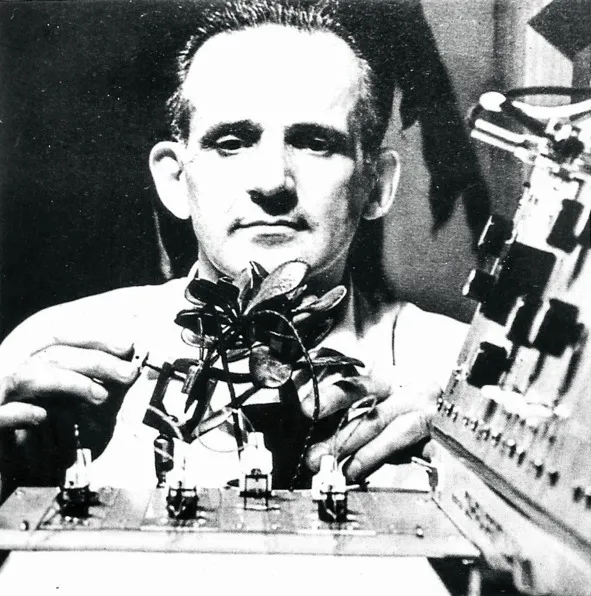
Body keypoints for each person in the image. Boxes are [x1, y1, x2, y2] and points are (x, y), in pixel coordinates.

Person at [0, 0, 467, 495]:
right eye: (231, 143)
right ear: (175, 180)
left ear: (376, 185)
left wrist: (478, 464)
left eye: (315, 143)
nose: (272, 182)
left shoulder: (453, 373)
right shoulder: (52, 349)